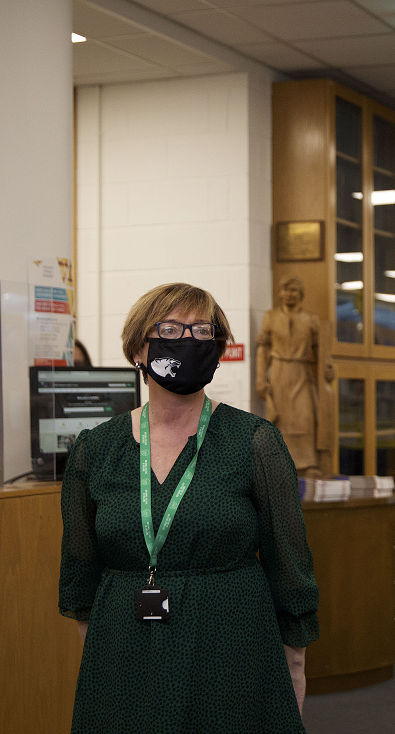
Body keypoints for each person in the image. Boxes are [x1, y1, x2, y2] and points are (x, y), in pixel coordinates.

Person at [59, 282, 318, 734]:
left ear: (217, 351)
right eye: (171, 328)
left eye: (203, 331)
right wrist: (103, 652)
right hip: (124, 652)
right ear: (139, 348)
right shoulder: (95, 450)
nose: (190, 340)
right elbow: (80, 573)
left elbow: (290, 568)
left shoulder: (255, 441)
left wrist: (293, 667)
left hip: (231, 648)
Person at [256, 277, 336, 477]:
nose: (289, 294)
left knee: (305, 417)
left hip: (302, 372)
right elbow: (263, 349)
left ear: (300, 294)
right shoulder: (271, 317)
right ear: (280, 293)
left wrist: (329, 368)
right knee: (280, 419)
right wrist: (260, 378)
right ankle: (280, 460)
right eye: (285, 290)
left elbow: (323, 351)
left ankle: (308, 462)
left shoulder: (311, 319)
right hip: (279, 372)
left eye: (293, 290)